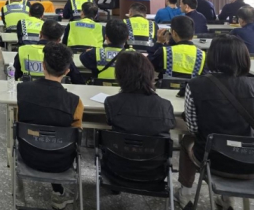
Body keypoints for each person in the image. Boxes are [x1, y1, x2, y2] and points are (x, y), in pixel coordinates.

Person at [175, 35, 254, 208]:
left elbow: (193, 128)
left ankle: (185, 193)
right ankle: (226, 199)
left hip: (212, 160)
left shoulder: (195, 85)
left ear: (212, 56)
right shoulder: (252, 84)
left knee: (187, 139)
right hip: (250, 162)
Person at [16, 42, 83, 210]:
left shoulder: (22, 91)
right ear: (67, 71)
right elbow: (76, 132)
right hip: (61, 162)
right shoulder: (75, 102)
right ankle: (59, 195)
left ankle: (19, 197)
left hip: (28, 156)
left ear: (43, 65)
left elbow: (19, 121)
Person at [103, 52, 176, 182]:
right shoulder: (165, 105)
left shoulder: (112, 102)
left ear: (119, 75)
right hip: (154, 173)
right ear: (150, 74)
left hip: (116, 171)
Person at [14, 20, 83, 84]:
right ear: (59, 40)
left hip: (28, 91)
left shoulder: (23, 50)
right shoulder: (63, 53)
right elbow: (77, 79)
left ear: (40, 34)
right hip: (55, 91)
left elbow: (14, 76)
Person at [150, 15, 205, 80]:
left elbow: (150, 66)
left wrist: (159, 43)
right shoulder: (202, 55)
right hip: (191, 86)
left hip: (166, 86)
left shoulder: (164, 52)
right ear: (192, 35)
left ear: (174, 33)